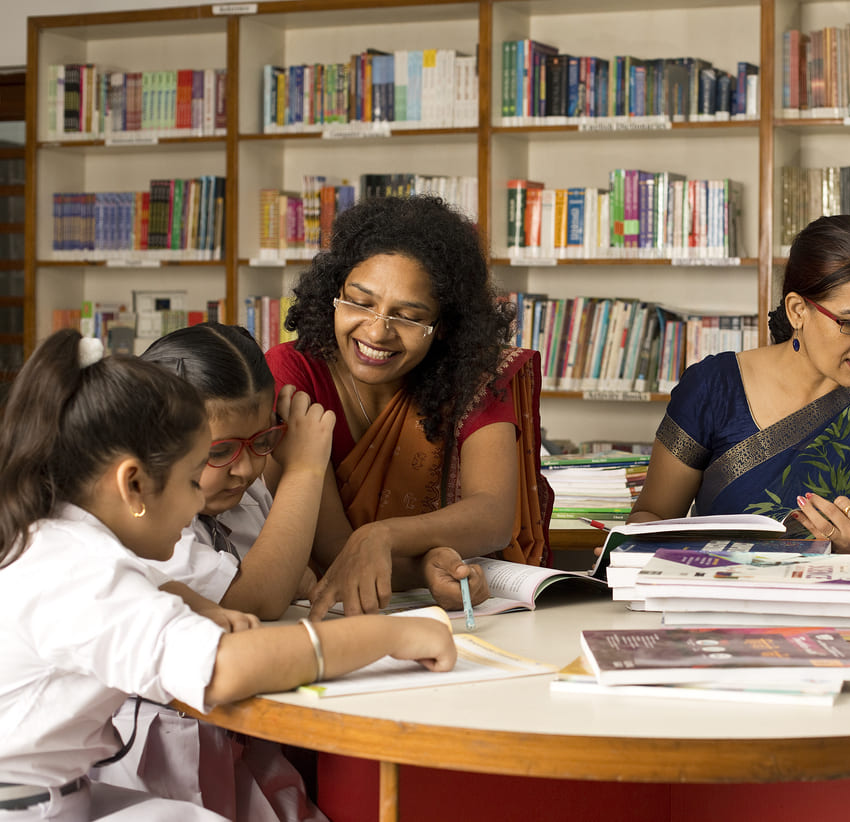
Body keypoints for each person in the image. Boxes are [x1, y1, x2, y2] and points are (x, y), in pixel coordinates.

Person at [0, 330, 456, 821]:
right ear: (133, 484)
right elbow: (225, 668)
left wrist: (199, 607)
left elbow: (144, 591)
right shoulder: (81, 573)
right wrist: (389, 634)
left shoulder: (57, 537)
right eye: (193, 480)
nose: (199, 504)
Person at [628, 214, 850, 583]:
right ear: (798, 310)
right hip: (717, 606)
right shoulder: (713, 388)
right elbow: (653, 515)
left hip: (846, 616)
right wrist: (630, 547)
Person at [94, 322, 336, 822]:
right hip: (157, 758)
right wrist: (307, 468)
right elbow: (261, 596)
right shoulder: (150, 522)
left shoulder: (239, 492)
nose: (246, 470)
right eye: (220, 451)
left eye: (263, 441)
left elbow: (288, 570)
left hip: (238, 738)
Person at [266, 195, 550, 619]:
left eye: (409, 317)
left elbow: (492, 513)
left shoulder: (474, 374)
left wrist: (382, 535)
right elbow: (334, 551)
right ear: (334, 293)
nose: (377, 332)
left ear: (443, 326)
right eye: (360, 303)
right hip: (318, 612)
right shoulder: (293, 372)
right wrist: (424, 564)